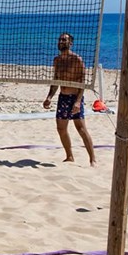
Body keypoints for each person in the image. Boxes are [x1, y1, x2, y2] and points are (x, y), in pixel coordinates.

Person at [43, 32, 97, 166]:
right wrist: (49, 97)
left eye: (64, 40)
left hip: (75, 98)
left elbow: (82, 82)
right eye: (60, 39)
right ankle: (69, 156)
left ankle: (93, 159)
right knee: (61, 129)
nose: (61, 41)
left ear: (70, 43)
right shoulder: (57, 60)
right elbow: (56, 80)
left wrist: (78, 102)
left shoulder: (77, 59)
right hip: (63, 97)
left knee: (81, 129)